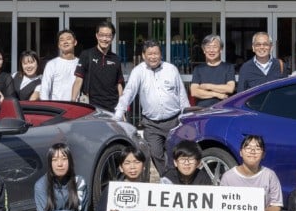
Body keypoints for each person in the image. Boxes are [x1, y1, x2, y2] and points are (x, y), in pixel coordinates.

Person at [114, 40, 190, 175]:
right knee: (155, 153)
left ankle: (175, 179)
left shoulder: (171, 69)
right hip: (151, 125)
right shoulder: (138, 71)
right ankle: (166, 178)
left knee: (176, 154)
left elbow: (182, 95)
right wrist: (118, 115)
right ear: (144, 55)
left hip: (174, 121)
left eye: (156, 53)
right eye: (150, 54)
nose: (153, 57)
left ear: (161, 54)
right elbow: (128, 93)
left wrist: (187, 117)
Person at [70, 20, 125, 112]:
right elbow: (78, 80)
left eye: (108, 36)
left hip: (112, 108)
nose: (104, 39)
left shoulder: (116, 59)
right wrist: (72, 102)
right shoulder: (86, 55)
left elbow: (119, 84)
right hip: (91, 107)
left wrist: (121, 109)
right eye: (101, 35)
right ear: (96, 36)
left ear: (112, 37)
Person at [189, 34, 236, 108]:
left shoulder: (228, 67)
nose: (211, 50)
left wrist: (207, 86)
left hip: (223, 109)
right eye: (208, 47)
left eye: (215, 47)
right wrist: (217, 94)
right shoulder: (198, 69)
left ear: (221, 49)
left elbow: (230, 89)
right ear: (204, 50)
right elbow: (194, 92)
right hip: (202, 110)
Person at [39, 30, 79, 101]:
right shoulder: (52, 64)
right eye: (62, 40)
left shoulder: (80, 63)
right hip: (57, 106)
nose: (65, 42)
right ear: (59, 45)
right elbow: (44, 89)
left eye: (68, 39)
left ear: (75, 42)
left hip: (76, 105)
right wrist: (46, 106)